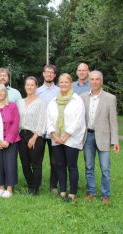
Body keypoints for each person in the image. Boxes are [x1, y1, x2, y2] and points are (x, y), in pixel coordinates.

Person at [81, 70, 120, 204]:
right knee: (89, 167)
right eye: (92, 79)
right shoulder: (83, 97)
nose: (95, 82)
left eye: (97, 79)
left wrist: (115, 141)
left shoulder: (110, 98)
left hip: (104, 137)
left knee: (105, 168)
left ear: (101, 81)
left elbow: (113, 121)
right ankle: (91, 192)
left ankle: (105, 195)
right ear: (89, 81)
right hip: (88, 137)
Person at [46, 73, 86, 201]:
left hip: (71, 139)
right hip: (56, 138)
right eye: (61, 82)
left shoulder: (77, 100)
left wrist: (66, 135)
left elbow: (78, 121)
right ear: (58, 84)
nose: (63, 84)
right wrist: (54, 134)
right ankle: (62, 190)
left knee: (72, 166)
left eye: (66, 82)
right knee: (60, 165)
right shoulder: (53, 101)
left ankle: (72, 192)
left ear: (71, 83)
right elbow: (48, 119)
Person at [18, 76, 46, 195]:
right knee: (24, 163)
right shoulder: (20, 102)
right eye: (27, 85)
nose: (29, 87)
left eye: (32, 85)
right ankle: (31, 185)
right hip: (21, 135)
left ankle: (35, 189)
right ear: (25, 86)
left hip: (35, 135)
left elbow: (42, 121)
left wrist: (34, 138)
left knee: (36, 163)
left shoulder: (40, 103)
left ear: (36, 87)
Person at [36, 64, 60, 193]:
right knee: (37, 160)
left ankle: (53, 186)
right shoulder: (37, 91)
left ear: (55, 75)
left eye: (52, 72)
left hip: (54, 131)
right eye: (47, 72)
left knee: (54, 160)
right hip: (39, 130)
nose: (49, 74)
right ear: (43, 74)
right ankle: (37, 184)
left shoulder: (59, 91)